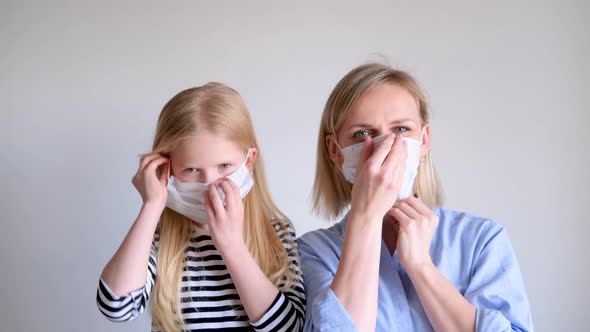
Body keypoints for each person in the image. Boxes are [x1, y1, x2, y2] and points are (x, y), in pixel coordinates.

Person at [298, 63, 533, 331]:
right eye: (362, 133)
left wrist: (421, 266)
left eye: (400, 130)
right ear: (335, 150)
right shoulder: (313, 252)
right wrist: (367, 217)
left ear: (424, 141)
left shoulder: (481, 240)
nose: (385, 146)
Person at [96, 83, 305, 331]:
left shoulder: (276, 233)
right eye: (192, 170)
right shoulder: (159, 239)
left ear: (248, 161)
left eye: (225, 166)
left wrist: (232, 246)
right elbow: (116, 307)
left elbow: (291, 328)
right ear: (167, 169)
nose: (209, 184)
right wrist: (151, 206)